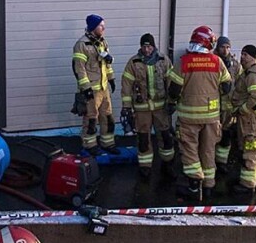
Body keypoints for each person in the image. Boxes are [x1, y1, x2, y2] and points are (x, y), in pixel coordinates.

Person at [166, 25, 232, 201]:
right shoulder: (217, 62)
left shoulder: (184, 62)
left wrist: (171, 102)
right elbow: (227, 87)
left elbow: (174, 90)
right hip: (212, 117)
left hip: (189, 118)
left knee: (190, 150)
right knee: (208, 150)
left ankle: (195, 187)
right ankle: (208, 186)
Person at [121, 33, 176, 180]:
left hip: (160, 108)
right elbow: (126, 85)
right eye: (144, 47)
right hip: (142, 109)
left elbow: (171, 82)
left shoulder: (164, 60)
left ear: (154, 46)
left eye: (149, 46)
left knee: (166, 137)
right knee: (143, 139)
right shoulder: (133, 62)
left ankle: (168, 164)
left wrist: (172, 101)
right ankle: (145, 166)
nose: (146, 50)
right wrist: (126, 107)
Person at [72, 14, 118, 155]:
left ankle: (107, 143)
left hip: (104, 89)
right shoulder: (82, 45)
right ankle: (89, 145)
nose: (103, 28)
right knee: (91, 119)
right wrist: (86, 88)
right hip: (91, 90)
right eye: (101, 26)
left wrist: (111, 78)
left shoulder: (102, 42)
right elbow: (79, 69)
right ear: (93, 27)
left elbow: (106, 64)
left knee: (107, 117)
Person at [228, 44, 256, 196]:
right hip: (247, 119)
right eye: (242, 54)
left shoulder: (254, 75)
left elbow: (255, 99)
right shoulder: (249, 72)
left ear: (253, 57)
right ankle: (248, 180)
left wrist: (241, 110)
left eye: (245, 55)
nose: (242, 57)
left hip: (251, 120)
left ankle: (247, 185)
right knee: (246, 148)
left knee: (249, 150)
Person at [214, 36, 242, 173]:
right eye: (222, 47)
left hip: (228, 109)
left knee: (226, 136)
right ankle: (209, 162)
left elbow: (240, 84)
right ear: (217, 48)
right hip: (213, 107)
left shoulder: (235, 65)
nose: (225, 50)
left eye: (227, 47)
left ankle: (221, 162)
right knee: (211, 136)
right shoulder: (212, 62)